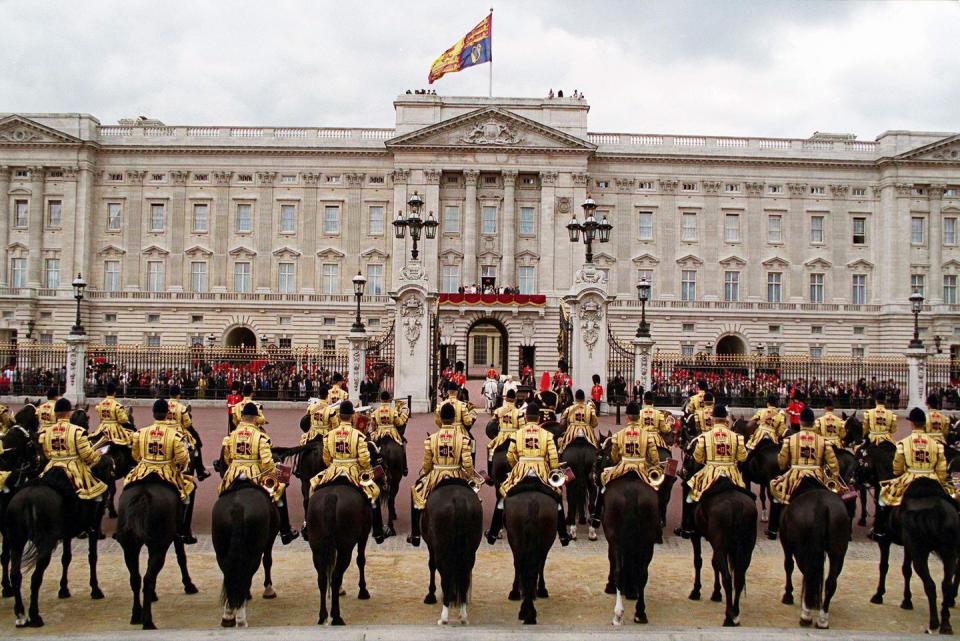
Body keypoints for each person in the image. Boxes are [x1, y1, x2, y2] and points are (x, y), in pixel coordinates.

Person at [488, 402, 570, 546]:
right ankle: (563, 535)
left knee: (502, 495)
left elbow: (509, 455)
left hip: (521, 469)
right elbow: (553, 458)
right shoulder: (547, 435)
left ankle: (493, 533)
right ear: (538, 418)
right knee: (557, 496)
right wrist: (552, 468)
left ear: (526, 417)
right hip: (541, 471)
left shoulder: (518, 434)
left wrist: (515, 467)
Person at [219, 403, 299, 544]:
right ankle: (285, 530)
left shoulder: (231, 436)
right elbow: (267, 463)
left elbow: (226, 459)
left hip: (233, 474)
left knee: (222, 493)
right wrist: (278, 472)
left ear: (242, 417)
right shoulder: (261, 437)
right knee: (280, 486)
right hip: (255, 474)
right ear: (256, 418)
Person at [309, 401, 385, 543]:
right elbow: (364, 459)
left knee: (312, 486)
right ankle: (378, 530)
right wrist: (365, 469)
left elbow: (326, 458)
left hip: (333, 469)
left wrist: (333, 465)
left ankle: (309, 523)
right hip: (354, 471)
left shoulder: (329, 435)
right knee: (374, 492)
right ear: (352, 416)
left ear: (339, 415)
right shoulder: (359, 436)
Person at [876, 407, 957, 539]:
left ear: (912, 423)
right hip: (932, 478)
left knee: (883, 498)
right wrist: (940, 481)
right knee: (953, 498)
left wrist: (901, 473)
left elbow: (897, 468)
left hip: (910, 478)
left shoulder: (903, 443)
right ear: (924, 423)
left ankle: (883, 531)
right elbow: (941, 469)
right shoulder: (937, 445)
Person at [124, 399, 196, 541]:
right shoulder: (175, 436)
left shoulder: (141, 433)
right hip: (166, 470)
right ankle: (183, 529)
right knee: (190, 489)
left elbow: (135, 455)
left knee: (127, 485)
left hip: (144, 468)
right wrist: (179, 467)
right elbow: (182, 459)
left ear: (153, 413)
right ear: (167, 414)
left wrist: (144, 461)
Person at [408, 402, 476, 546]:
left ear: (441, 418)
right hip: (457, 473)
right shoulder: (463, 439)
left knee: (416, 493)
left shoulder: (431, 439)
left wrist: (424, 473)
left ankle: (415, 535)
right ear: (453, 418)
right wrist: (470, 475)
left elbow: (426, 464)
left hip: (437, 474)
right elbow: (468, 464)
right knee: (475, 498)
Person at [767, 407, 840, 540]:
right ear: (813, 423)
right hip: (817, 476)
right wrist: (833, 477)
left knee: (776, 494)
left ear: (800, 422)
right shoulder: (823, 441)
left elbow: (782, 462)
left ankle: (772, 530)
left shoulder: (790, 439)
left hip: (796, 475)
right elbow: (834, 465)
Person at [37, 398, 107, 536]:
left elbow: (46, 453)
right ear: (69, 413)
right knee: (98, 494)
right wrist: (98, 454)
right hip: (73, 468)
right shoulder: (77, 431)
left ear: (55, 414)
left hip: (52, 466)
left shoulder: (46, 432)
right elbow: (87, 455)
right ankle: (90, 526)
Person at [591, 401, 662, 529]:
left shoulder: (619, 435)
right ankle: (658, 522)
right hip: (641, 468)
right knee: (657, 488)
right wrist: (654, 465)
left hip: (623, 466)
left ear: (627, 417)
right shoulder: (647, 436)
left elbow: (614, 457)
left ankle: (596, 517)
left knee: (603, 483)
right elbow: (654, 458)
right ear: (639, 417)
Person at [680, 405, 747, 538]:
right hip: (731, 473)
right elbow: (743, 457)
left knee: (690, 494)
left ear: (713, 419)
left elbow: (698, 459)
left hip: (710, 472)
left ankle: (688, 527)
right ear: (726, 419)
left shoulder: (704, 437)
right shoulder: (737, 437)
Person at [169, 384, 210, 480]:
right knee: (196, 444)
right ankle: (200, 471)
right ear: (178, 395)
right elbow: (187, 424)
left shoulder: (164, 406)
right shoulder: (181, 407)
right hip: (178, 433)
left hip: (164, 430)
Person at [369, 391, 409, 476]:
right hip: (392, 433)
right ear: (389, 400)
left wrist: (375, 430)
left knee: (371, 446)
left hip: (379, 432)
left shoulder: (375, 411)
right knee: (402, 444)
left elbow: (373, 425)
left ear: (381, 399)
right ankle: (404, 467)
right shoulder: (393, 411)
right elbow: (399, 423)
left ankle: (370, 467)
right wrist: (403, 416)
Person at [487, 388, 522, 475]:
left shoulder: (499, 411)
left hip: (501, 437)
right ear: (515, 399)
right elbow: (522, 428)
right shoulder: (519, 412)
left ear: (506, 399)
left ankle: (490, 474)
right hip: (515, 438)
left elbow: (491, 426)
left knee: (490, 449)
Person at [90, 381, 133, 447]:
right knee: (130, 437)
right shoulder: (117, 405)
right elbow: (123, 420)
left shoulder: (100, 405)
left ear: (106, 392)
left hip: (102, 428)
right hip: (115, 430)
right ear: (114, 392)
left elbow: (100, 416)